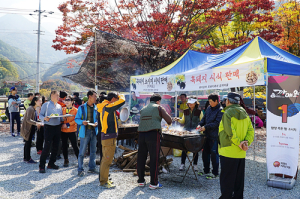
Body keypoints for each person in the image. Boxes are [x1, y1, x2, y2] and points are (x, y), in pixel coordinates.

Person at [218, 92, 254, 199]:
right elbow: (251, 131)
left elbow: (230, 132)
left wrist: (239, 143)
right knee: (238, 181)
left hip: (228, 151)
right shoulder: (245, 113)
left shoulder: (227, 113)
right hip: (241, 152)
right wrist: (245, 143)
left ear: (228, 101)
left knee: (227, 179)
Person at [137, 94, 172, 190]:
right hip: (153, 135)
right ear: (158, 101)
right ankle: (153, 183)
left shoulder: (143, 108)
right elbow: (169, 121)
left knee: (141, 157)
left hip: (141, 135)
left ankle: (141, 181)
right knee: (154, 158)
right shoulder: (159, 107)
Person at [97, 92, 125, 188]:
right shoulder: (108, 107)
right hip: (109, 137)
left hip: (107, 137)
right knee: (107, 160)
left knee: (106, 159)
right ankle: (103, 182)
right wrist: (120, 94)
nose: (117, 101)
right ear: (113, 99)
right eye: (116, 99)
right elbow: (122, 101)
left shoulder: (105, 106)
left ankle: (105, 179)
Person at [198, 94, 223, 179]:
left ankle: (215, 172)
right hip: (206, 135)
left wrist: (206, 127)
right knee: (205, 153)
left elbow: (217, 123)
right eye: (209, 101)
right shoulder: (208, 108)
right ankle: (206, 170)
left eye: (211, 102)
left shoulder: (220, 110)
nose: (210, 103)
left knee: (214, 154)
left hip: (214, 135)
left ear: (216, 101)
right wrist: (200, 124)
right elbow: (204, 119)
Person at [175, 96, 203, 171]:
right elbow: (183, 121)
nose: (190, 104)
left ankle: (195, 165)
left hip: (195, 133)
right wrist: (178, 119)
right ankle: (182, 164)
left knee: (195, 149)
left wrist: (200, 129)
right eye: (189, 103)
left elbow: (202, 122)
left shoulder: (199, 112)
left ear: (195, 103)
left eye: (191, 103)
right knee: (184, 149)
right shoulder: (186, 111)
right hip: (186, 131)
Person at [38, 90, 64, 173]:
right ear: (52, 95)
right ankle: (42, 165)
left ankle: (51, 163)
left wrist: (64, 118)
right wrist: (45, 118)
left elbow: (60, 117)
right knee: (47, 146)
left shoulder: (59, 106)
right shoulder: (46, 104)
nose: (58, 97)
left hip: (57, 127)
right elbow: (40, 115)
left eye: (58, 95)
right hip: (48, 127)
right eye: (57, 95)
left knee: (56, 146)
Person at [75, 90, 99, 177]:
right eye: (94, 96)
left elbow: (98, 119)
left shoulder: (96, 108)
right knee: (82, 152)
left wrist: (97, 123)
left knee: (93, 151)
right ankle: (80, 169)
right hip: (85, 131)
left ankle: (92, 168)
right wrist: (82, 122)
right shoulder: (81, 107)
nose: (96, 98)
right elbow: (76, 119)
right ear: (89, 97)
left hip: (94, 131)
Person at [21, 97, 43, 163]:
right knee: (28, 144)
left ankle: (26, 158)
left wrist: (40, 121)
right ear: (35, 101)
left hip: (30, 128)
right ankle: (28, 158)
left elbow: (34, 119)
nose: (41, 102)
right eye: (40, 101)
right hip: (28, 129)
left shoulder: (34, 108)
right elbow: (28, 120)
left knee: (27, 143)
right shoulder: (30, 109)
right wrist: (36, 123)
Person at [61, 96, 79, 167]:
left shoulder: (76, 110)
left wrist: (68, 124)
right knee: (64, 146)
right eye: (65, 100)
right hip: (63, 130)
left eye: (68, 100)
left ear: (72, 101)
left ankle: (79, 159)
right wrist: (62, 122)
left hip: (72, 130)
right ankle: (66, 160)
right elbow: (59, 118)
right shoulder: (62, 109)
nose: (67, 101)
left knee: (75, 145)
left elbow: (76, 120)